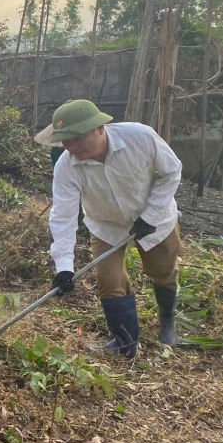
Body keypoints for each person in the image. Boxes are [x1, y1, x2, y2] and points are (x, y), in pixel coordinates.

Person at [48, 99, 182, 357]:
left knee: (162, 272)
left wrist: (151, 215)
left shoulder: (140, 138)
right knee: (109, 280)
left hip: (156, 220)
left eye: (77, 137)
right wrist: (64, 266)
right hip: (106, 225)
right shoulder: (66, 167)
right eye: (65, 140)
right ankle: (125, 342)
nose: (71, 146)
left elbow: (171, 171)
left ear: (100, 128)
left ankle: (167, 320)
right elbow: (63, 216)